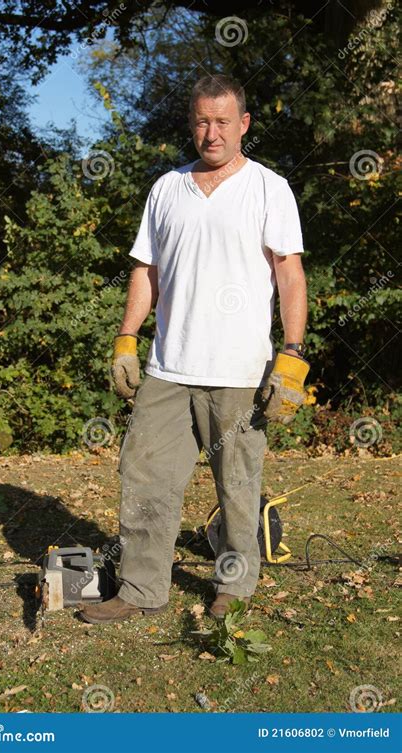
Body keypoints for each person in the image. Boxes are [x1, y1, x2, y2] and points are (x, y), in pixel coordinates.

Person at [79, 73, 309, 625]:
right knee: (145, 475)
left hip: (238, 370)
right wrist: (127, 337)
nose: (212, 132)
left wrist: (293, 356)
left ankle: (233, 585)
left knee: (236, 483)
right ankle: (141, 589)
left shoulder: (268, 188)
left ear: (243, 124)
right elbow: (146, 270)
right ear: (192, 124)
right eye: (202, 121)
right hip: (168, 366)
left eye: (223, 121)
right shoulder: (167, 188)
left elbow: (290, 275)